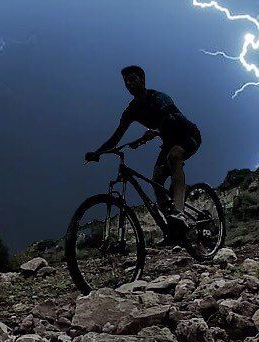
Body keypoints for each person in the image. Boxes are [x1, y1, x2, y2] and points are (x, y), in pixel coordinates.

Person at [85, 66, 201, 231]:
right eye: (126, 82)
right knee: (156, 181)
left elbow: (174, 118)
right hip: (168, 143)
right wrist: (98, 152)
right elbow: (116, 137)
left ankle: (180, 213)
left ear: (143, 80)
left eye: (133, 79)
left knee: (174, 157)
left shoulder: (159, 97)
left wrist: (156, 131)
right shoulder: (131, 110)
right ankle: (173, 228)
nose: (129, 84)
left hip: (188, 135)